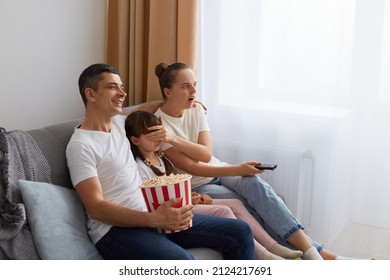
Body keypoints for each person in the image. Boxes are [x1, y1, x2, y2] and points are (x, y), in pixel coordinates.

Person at [148, 61, 356, 260]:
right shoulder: (158, 125)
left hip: (220, 169)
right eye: (185, 87)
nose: (193, 92)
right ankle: (321, 257)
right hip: (199, 185)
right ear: (168, 91)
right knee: (249, 208)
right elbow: (194, 166)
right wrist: (170, 137)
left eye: (194, 85)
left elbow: (206, 152)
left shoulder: (195, 110)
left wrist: (174, 138)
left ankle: (313, 252)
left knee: (257, 187)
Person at [65, 63, 256, 260]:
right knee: (183, 262)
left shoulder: (120, 123)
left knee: (240, 231)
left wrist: (187, 101)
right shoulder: (81, 145)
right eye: (113, 87)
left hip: (151, 216)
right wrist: (153, 218)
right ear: (91, 94)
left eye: (122, 87)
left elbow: (147, 108)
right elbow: (96, 208)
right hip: (115, 231)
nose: (122, 93)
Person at [125, 110, 304, 260]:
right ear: (135, 140)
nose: (158, 140)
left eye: (159, 134)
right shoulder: (139, 167)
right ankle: (265, 255)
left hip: (185, 202)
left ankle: (273, 247)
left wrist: (193, 197)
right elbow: (154, 200)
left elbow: (173, 189)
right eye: (151, 136)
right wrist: (190, 202)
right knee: (224, 211)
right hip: (172, 212)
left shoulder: (161, 158)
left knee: (236, 204)